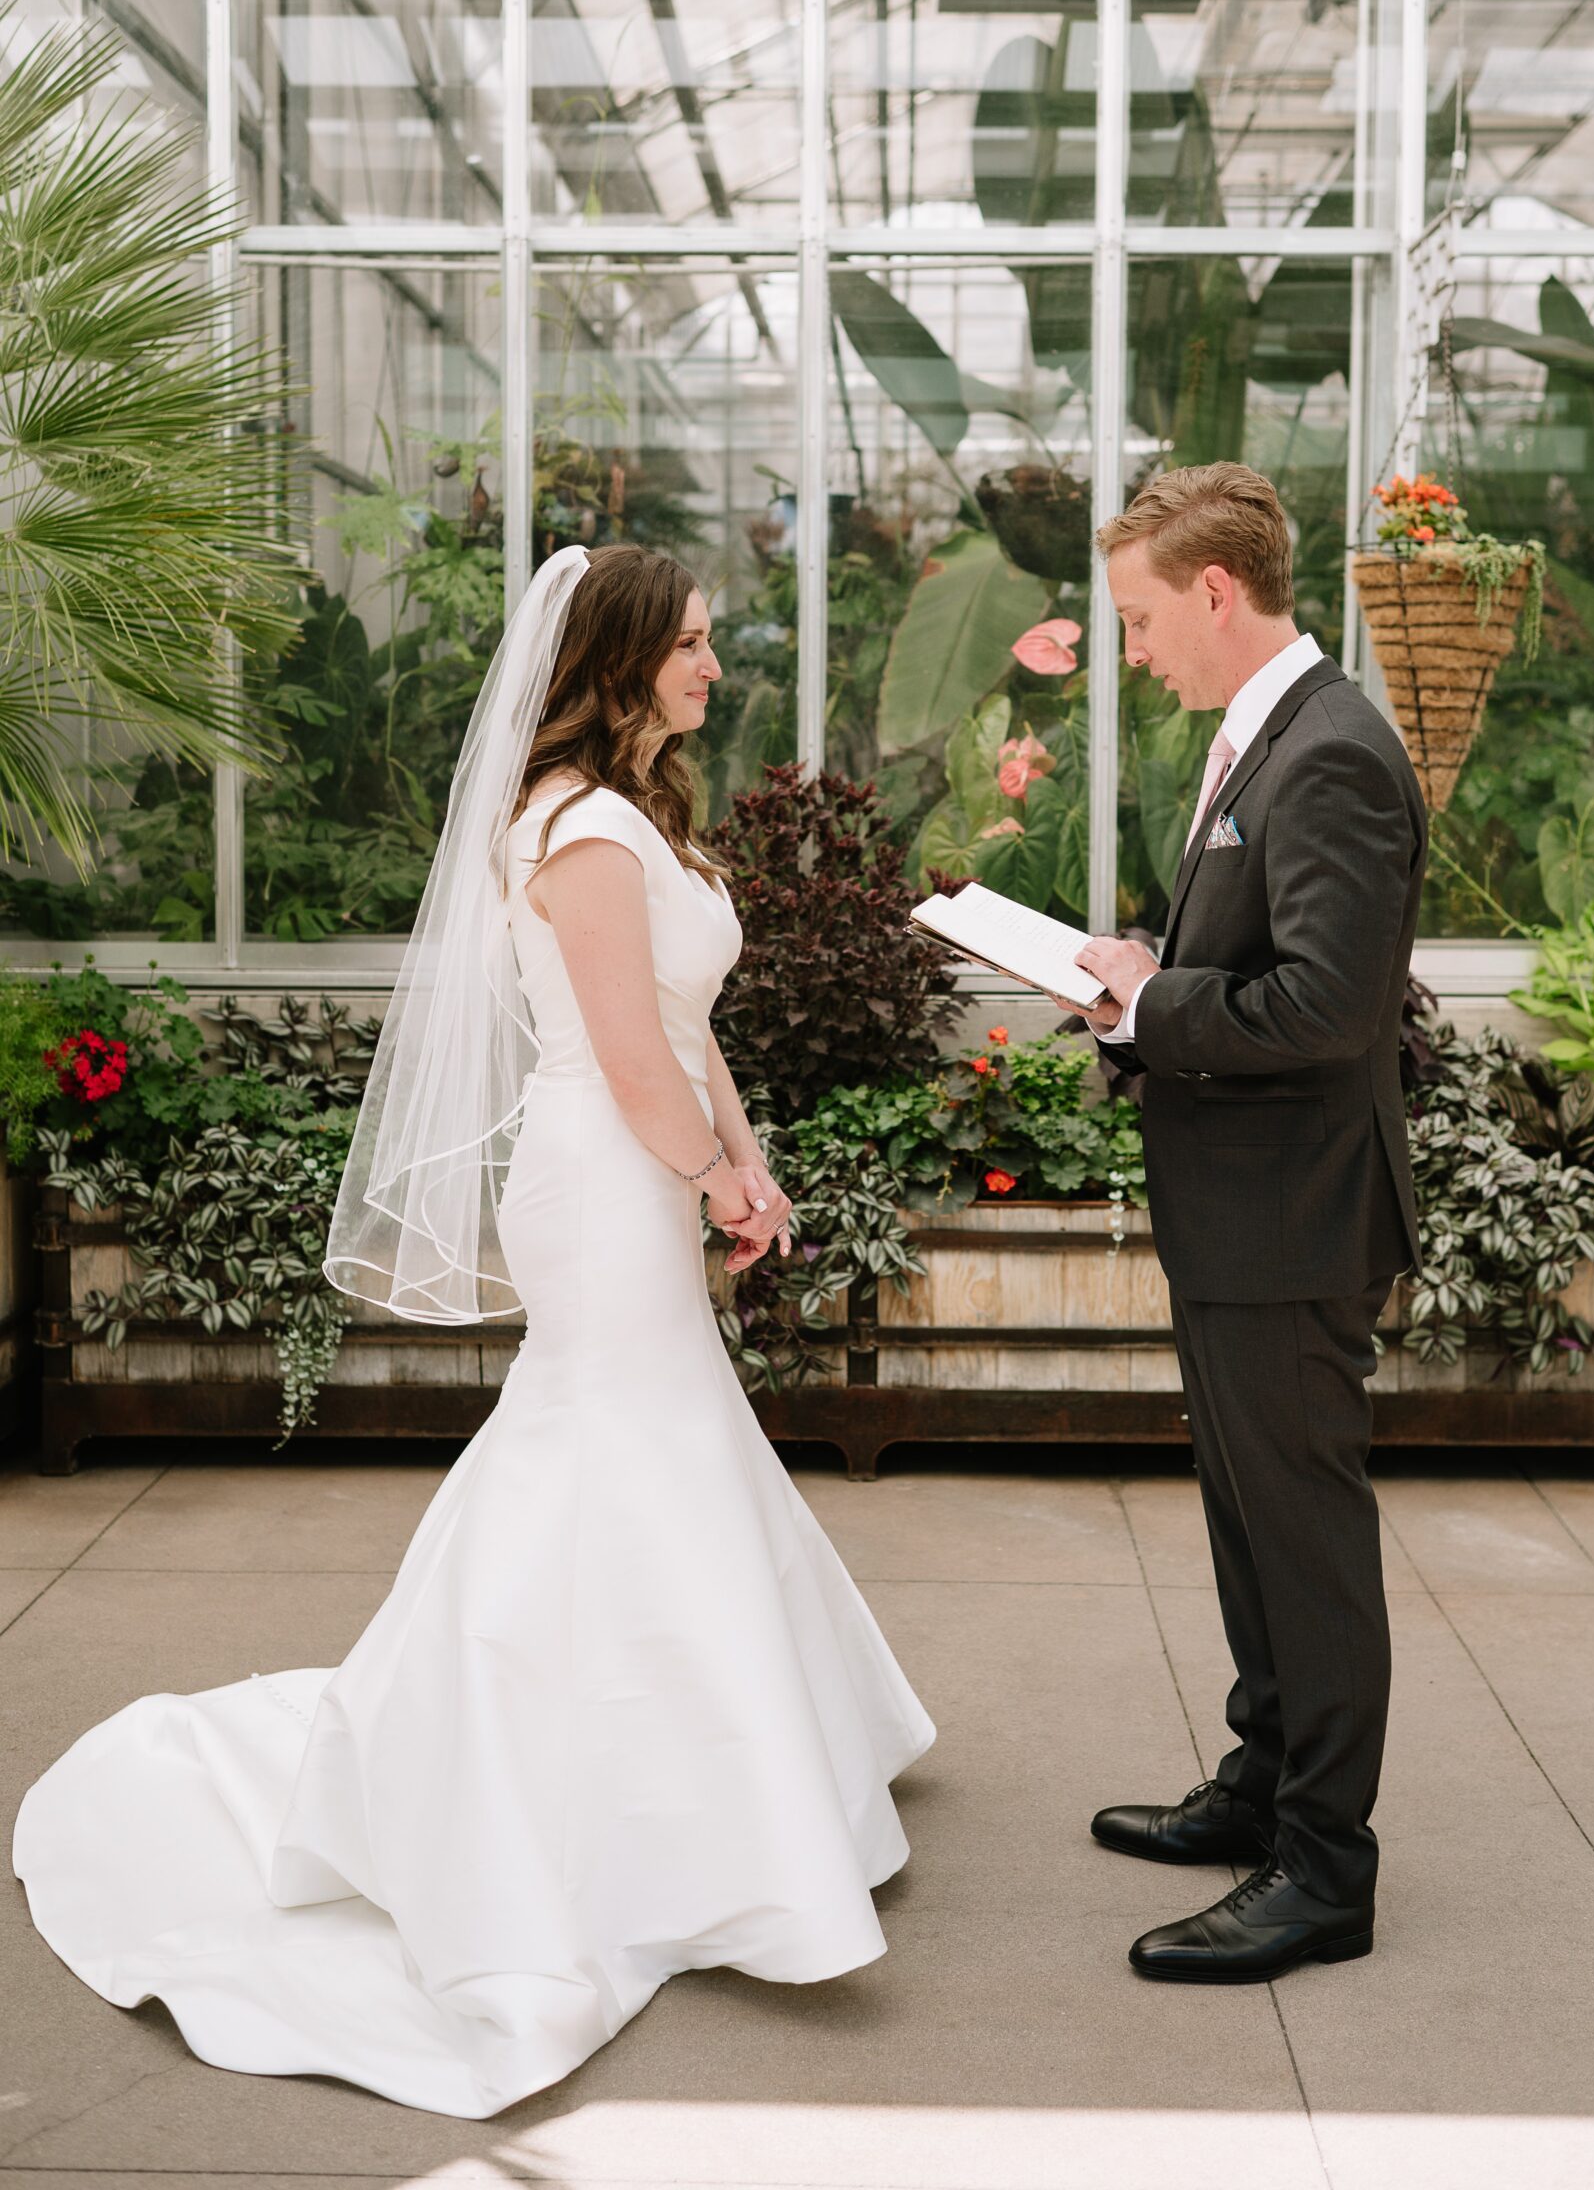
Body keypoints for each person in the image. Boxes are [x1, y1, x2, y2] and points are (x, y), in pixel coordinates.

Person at [12, 542, 934, 2116]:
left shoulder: (641, 817)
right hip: (596, 1175)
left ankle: (696, 1780)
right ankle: (517, 1770)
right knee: (603, 1442)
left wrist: (750, 1162)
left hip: (650, 1165)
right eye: (693, 645)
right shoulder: (575, 830)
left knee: (660, 1446)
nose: (716, 667)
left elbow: (690, 1031)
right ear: (621, 657)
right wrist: (713, 1179)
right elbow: (630, 1064)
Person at [1070, 463, 1426, 1984]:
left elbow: (1332, 1007)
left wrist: (1153, 1002)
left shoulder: (1329, 749)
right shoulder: (1262, 733)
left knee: (1306, 1539)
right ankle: (1264, 1783)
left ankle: (1323, 1870)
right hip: (1239, 1209)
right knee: (1246, 1523)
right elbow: (1259, 954)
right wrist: (1143, 977)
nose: (1134, 647)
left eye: (1142, 616)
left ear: (1218, 592)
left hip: (1290, 1216)